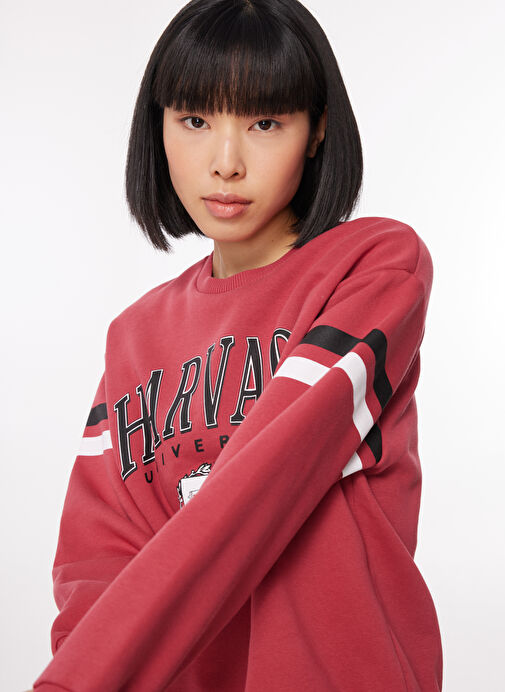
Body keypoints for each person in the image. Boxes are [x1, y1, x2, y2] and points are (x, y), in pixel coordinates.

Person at [31, 0, 444, 690]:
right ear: (157, 126)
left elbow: (264, 480)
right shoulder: (134, 336)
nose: (225, 163)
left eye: (264, 123)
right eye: (194, 120)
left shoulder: (371, 268)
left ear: (316, 130)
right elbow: (96, 565)